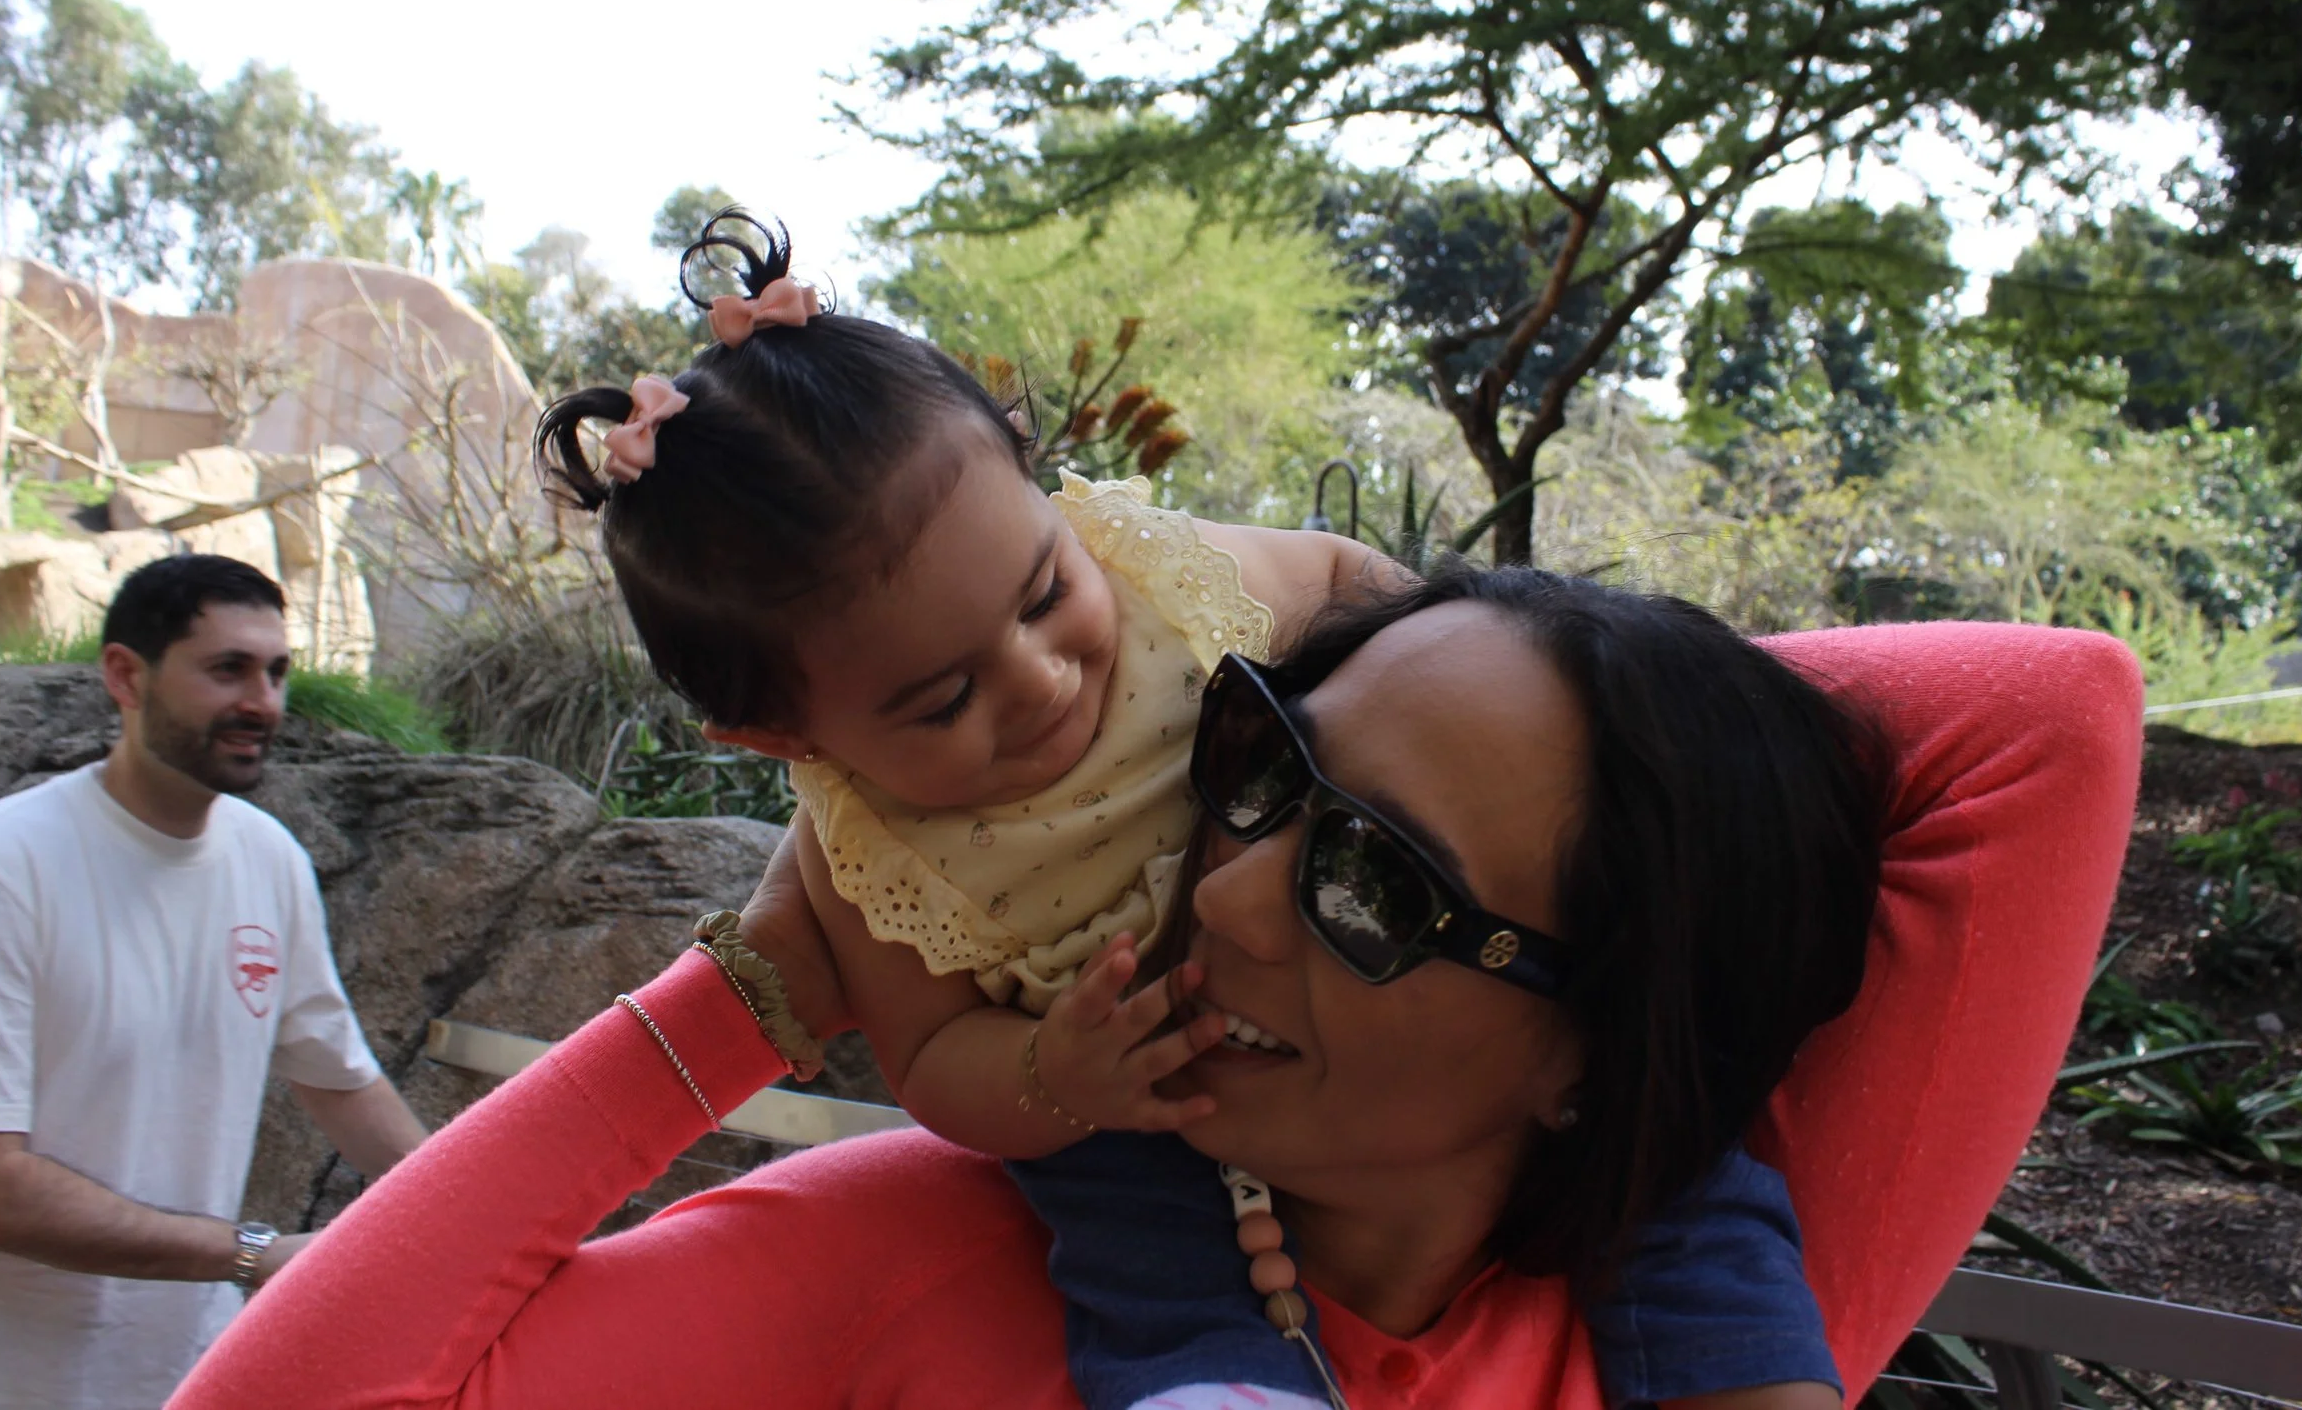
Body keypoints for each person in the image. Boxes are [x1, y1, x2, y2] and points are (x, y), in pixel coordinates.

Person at [167, 574, 2142, 1409]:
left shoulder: (1702, 1337)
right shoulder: (936, 1249)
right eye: (1262, 765)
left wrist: (1634, 695)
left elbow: (2051, 713)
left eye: (1378, 882)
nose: (1236, 886)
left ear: (1595, 1049)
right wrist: (758, 983)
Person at [527, 208, 1842, 1409]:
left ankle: (1748, 1369)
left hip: (1396, 1054)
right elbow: (929, 1056)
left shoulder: (1172, 583)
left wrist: (1491, 712)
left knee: (1677, 1165)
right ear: (785, 738)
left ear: (1039, 478)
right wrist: (1054, 1075)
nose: (1039, 679)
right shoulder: (875, 853)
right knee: (1131, 1228)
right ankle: (1216, 1385)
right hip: (1133, 1084)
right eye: (942, 700)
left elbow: (1357, 588)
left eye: (1044, 594)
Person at [0, 553, 430, 1410]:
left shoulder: (268, 859)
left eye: (277, 671)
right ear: (126, 675)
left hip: (180, 1378)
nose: (263, 701)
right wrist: (254, 1254)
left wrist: (480, 1223)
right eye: (228, 669)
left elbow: (343, 1083)